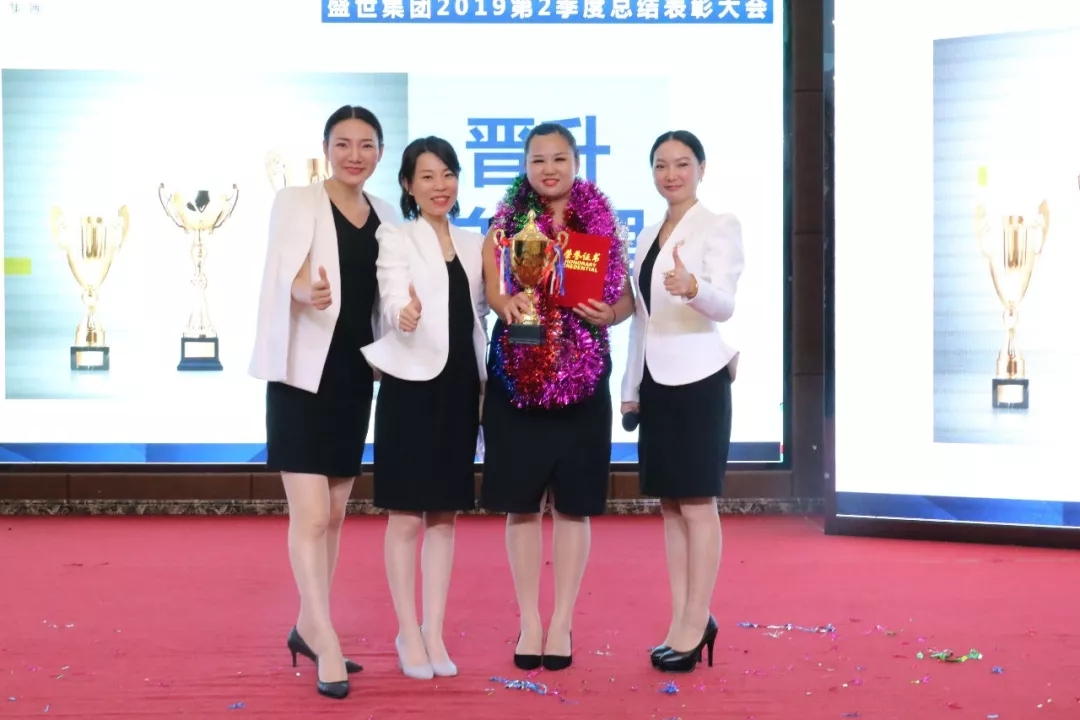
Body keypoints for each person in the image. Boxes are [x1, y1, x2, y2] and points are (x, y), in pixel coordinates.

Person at [248, 105, 398, 699]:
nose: (354, 155)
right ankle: (325, 637)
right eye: (343, 144)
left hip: (353, 378)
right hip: (300, 375)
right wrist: (301, 290)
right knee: (309, 516)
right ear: (327, 148)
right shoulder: (296, 201)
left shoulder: (387, 214)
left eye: (366, 144)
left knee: (334, 516)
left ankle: (309, 625)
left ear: (380, 152)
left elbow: (388, 295)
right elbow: (277, 275)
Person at [479, 122, 633, 672]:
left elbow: (627, 299)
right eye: (538, 159)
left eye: (559, 158)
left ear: (576, 164)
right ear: (525, 166)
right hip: (518, 377)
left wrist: (609, 314)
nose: (549, 169)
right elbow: (492, 291)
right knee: (521, 505)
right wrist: (508, 304)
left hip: (583, 380)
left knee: (573, 505)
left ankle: (563, 619)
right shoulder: (506, 224)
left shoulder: (601, 223)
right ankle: (529, 620)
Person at [361, 136, 488, 681]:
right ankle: (407, 632)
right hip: (410, 387)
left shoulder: (474, 240)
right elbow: (392, 293)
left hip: (460, 386)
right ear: (408, 185)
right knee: (406, 515)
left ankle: (434, 630)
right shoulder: (396, 235)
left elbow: (481, 311)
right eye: (428, 176)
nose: (440, 186)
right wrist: (402, 314)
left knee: (445, 515)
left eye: (448, 174)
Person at [620, 130, 745, 674]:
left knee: (697, 504)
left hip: (699, 380)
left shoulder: (719, 225)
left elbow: (726, 304)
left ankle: (697, 620)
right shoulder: (648, 234)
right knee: (670, 506)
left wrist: (694, 287)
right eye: (661, 165)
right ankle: (682, 620)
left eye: (682, 164)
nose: (671, 174)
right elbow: (641, 321)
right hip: (656, 382)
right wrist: (630, 390)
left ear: (701, 168)